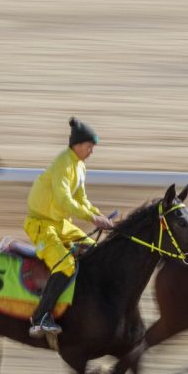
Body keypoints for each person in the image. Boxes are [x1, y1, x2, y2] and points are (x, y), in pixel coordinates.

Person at [24, 118, 114, 337]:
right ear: (78, 145)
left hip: (61, 225)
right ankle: (40, 317)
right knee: (65, 265)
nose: (92, 151)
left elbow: (82, 200)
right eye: (89, 146)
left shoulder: (80, 166)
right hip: (41, 225)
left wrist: (100, 216)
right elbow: (64, 201)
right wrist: (93, 219)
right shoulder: (63, 164)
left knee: (95, 251)